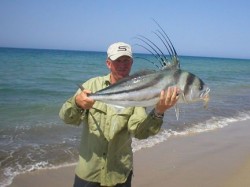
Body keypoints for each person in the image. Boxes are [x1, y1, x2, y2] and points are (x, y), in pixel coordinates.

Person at [59, 42, 179, 187]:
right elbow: (66, 117)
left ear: (132, 62)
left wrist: (159, 111)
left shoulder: (139, 90)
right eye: (117, 61)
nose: (122, 65)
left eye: (126, 60)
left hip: (119, 175)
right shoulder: (91, 86)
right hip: (89, 173)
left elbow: (140, 132)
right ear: (108, 63)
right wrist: (77, 103)